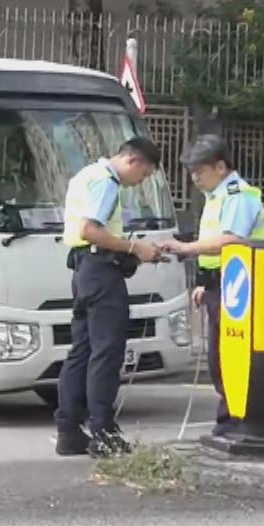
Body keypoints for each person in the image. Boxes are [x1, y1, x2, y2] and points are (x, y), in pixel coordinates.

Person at [54, 137, 163, 458]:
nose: (139, 182)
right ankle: (103, 430)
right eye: (143, 175)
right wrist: (135, 248)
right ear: (134, 161)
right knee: (106, 352)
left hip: (83, 270)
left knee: (82, 351)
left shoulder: (85, 175)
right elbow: (90, 229)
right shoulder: (107, 183)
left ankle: (68, 430)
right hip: (102, 273)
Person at [160, 136, 264, 437]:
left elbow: (231, 240)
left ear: (220, 167)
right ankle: (229, 418)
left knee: (233, 355)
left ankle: (238, 420)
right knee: (219, 357)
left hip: (238, 286)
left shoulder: (237, 195)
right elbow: (215, 248)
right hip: (220, 284)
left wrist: (185, 248)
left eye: (200, 171)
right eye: (192, 172)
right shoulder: (217, 197)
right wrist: (203, 283)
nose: (194, 178)